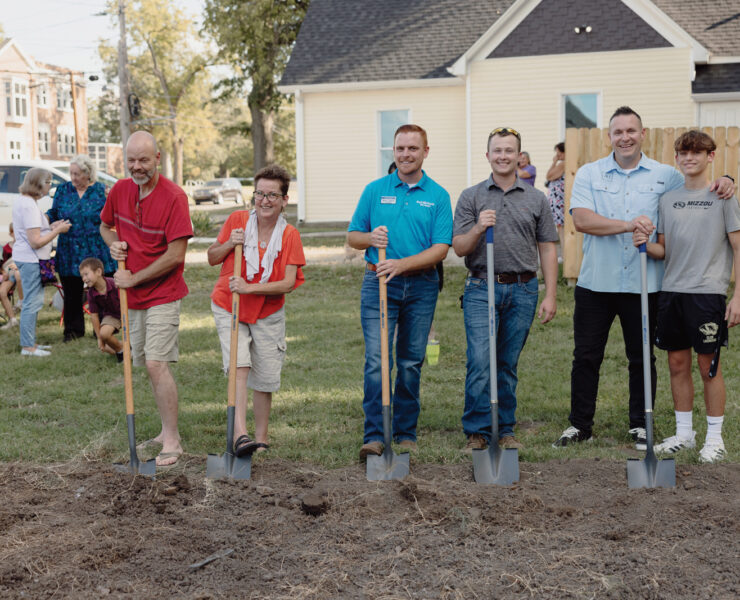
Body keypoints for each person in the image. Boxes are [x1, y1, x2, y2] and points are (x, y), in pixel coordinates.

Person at [553, 106, 735, 449]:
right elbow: (582, 220)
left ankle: (640, 424)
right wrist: (627, 225)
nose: (625, 137)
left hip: (645, 284)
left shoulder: (666, 175)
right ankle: (580, 425)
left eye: (631, 131)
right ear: (610, 137)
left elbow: (700, 182)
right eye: (618, 132)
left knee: (641, 357)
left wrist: (728, 179)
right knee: (587, 356)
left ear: (643, 134)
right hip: (596, 282)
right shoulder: (591, 173)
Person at [633, 130, 740, 463]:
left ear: (710, 157)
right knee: (676, 363)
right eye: (683, 153)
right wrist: (643, 243)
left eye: (697, 153)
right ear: (676, 158)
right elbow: (663, 249)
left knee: (708, 365)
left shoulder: (723, 197)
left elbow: (738, 247)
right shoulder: (668, 199)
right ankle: (684, 434)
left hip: (707, 294)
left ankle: (715, 438)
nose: (689, 158)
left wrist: (737, 297)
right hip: (672, 292)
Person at [348, 124, 453, 459]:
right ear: (393, 151)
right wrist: (370, 238)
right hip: (377, 283)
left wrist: (401, 264)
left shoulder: (438, 196)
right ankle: (375, 435)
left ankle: (406, 432)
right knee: (377, 361)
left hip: (421, 287)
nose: (406, 154)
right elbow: (353, 236)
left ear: (425, 151)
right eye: (400, 148)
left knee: (410, 362)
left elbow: (440, 250)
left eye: (413, 148)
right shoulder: (375, 191)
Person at [453, 127, 558, 451]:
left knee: (507, 363)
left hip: (523, 290)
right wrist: (479, 227)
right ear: (488, 156)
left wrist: (550, 294)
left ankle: (506, 427)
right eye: (497, 150)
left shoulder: (536, 198)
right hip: (482, 287)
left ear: (519, 156)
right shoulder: (472, 196)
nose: (503, 156)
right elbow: (458, 247)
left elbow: (548, 247)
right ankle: (478, 429)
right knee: (481, 361)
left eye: (509, 151)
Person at [100, 131, 193, 467]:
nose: (136, 167)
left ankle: (172, 440)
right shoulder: (121, 190)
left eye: (143, 160)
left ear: (157, 158)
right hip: (133, 297)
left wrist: (134, 277)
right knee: (145, 365)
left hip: (163, 293)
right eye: (131, 160)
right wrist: (113, 243)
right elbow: (105, 226)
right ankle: (163, 430)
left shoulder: (173, 197)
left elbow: (176, 254)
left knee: (156, 363)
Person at [207, 164, 305, 455]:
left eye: (272, 195)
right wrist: (228, 244)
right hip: (229, 305)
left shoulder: (290, 236)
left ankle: (261, 440)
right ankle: (240, 435)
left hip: (267, 312)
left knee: (265, 375)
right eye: (260, 193)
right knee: (239, 365)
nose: (264, 200)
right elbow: (212, 257)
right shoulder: (237, 220)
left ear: (284, 200)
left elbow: (288, 283)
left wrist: (249, 288)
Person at [47, 154, 115, 342]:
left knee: (102, 291)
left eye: (77, 174)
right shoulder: (63, 190)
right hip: (70, 250)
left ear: (88, 174)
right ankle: (73, 331)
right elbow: (53, 213)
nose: (73, 178)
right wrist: (49, 223)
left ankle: (104, 329)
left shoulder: (101, 191)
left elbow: (113, 215)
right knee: (72, 294)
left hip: (97, 249)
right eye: (71, 173)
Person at [11, 168, 71, 356]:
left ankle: (31, 343)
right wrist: (57, 231)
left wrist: (50, 226)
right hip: (31, 259)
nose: (50, 186)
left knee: (33, 302)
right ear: (38, 184)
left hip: (27, 257)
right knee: (32, 303)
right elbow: (35, 241)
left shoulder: (25, 201)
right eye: (48, 182)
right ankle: (28, 347)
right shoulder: (29, 205)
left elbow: (33, 230)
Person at [79, 256, 123, 362]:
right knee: (104, 337)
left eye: (86, 274)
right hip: (112, 315)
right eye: (82, 276)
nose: (84, 279)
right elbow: (94, 316)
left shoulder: (114, 284)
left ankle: (132, 349)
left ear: (98, 271)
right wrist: (100, 338)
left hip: (127, 312)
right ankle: (121, 351)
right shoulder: (91, 293)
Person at [0, 223, 23, 329]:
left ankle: (21, 302)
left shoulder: (25, 246)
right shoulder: (6, 248)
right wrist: (4, 273)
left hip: (20, 274)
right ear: (11, 234)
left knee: (18, 275)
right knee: (2, 292)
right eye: (15, 232)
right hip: (8, 276)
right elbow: (2, 264)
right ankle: (12, 319)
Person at [546, 142, 566, 253]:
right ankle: (564, 253)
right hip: (558, 200)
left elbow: (549, 176)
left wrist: (554, 162)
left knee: (561, 228)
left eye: (558, 152)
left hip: (559, 201)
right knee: (561, 228)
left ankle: (564, 254)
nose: (557, 155)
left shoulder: (563, 164)